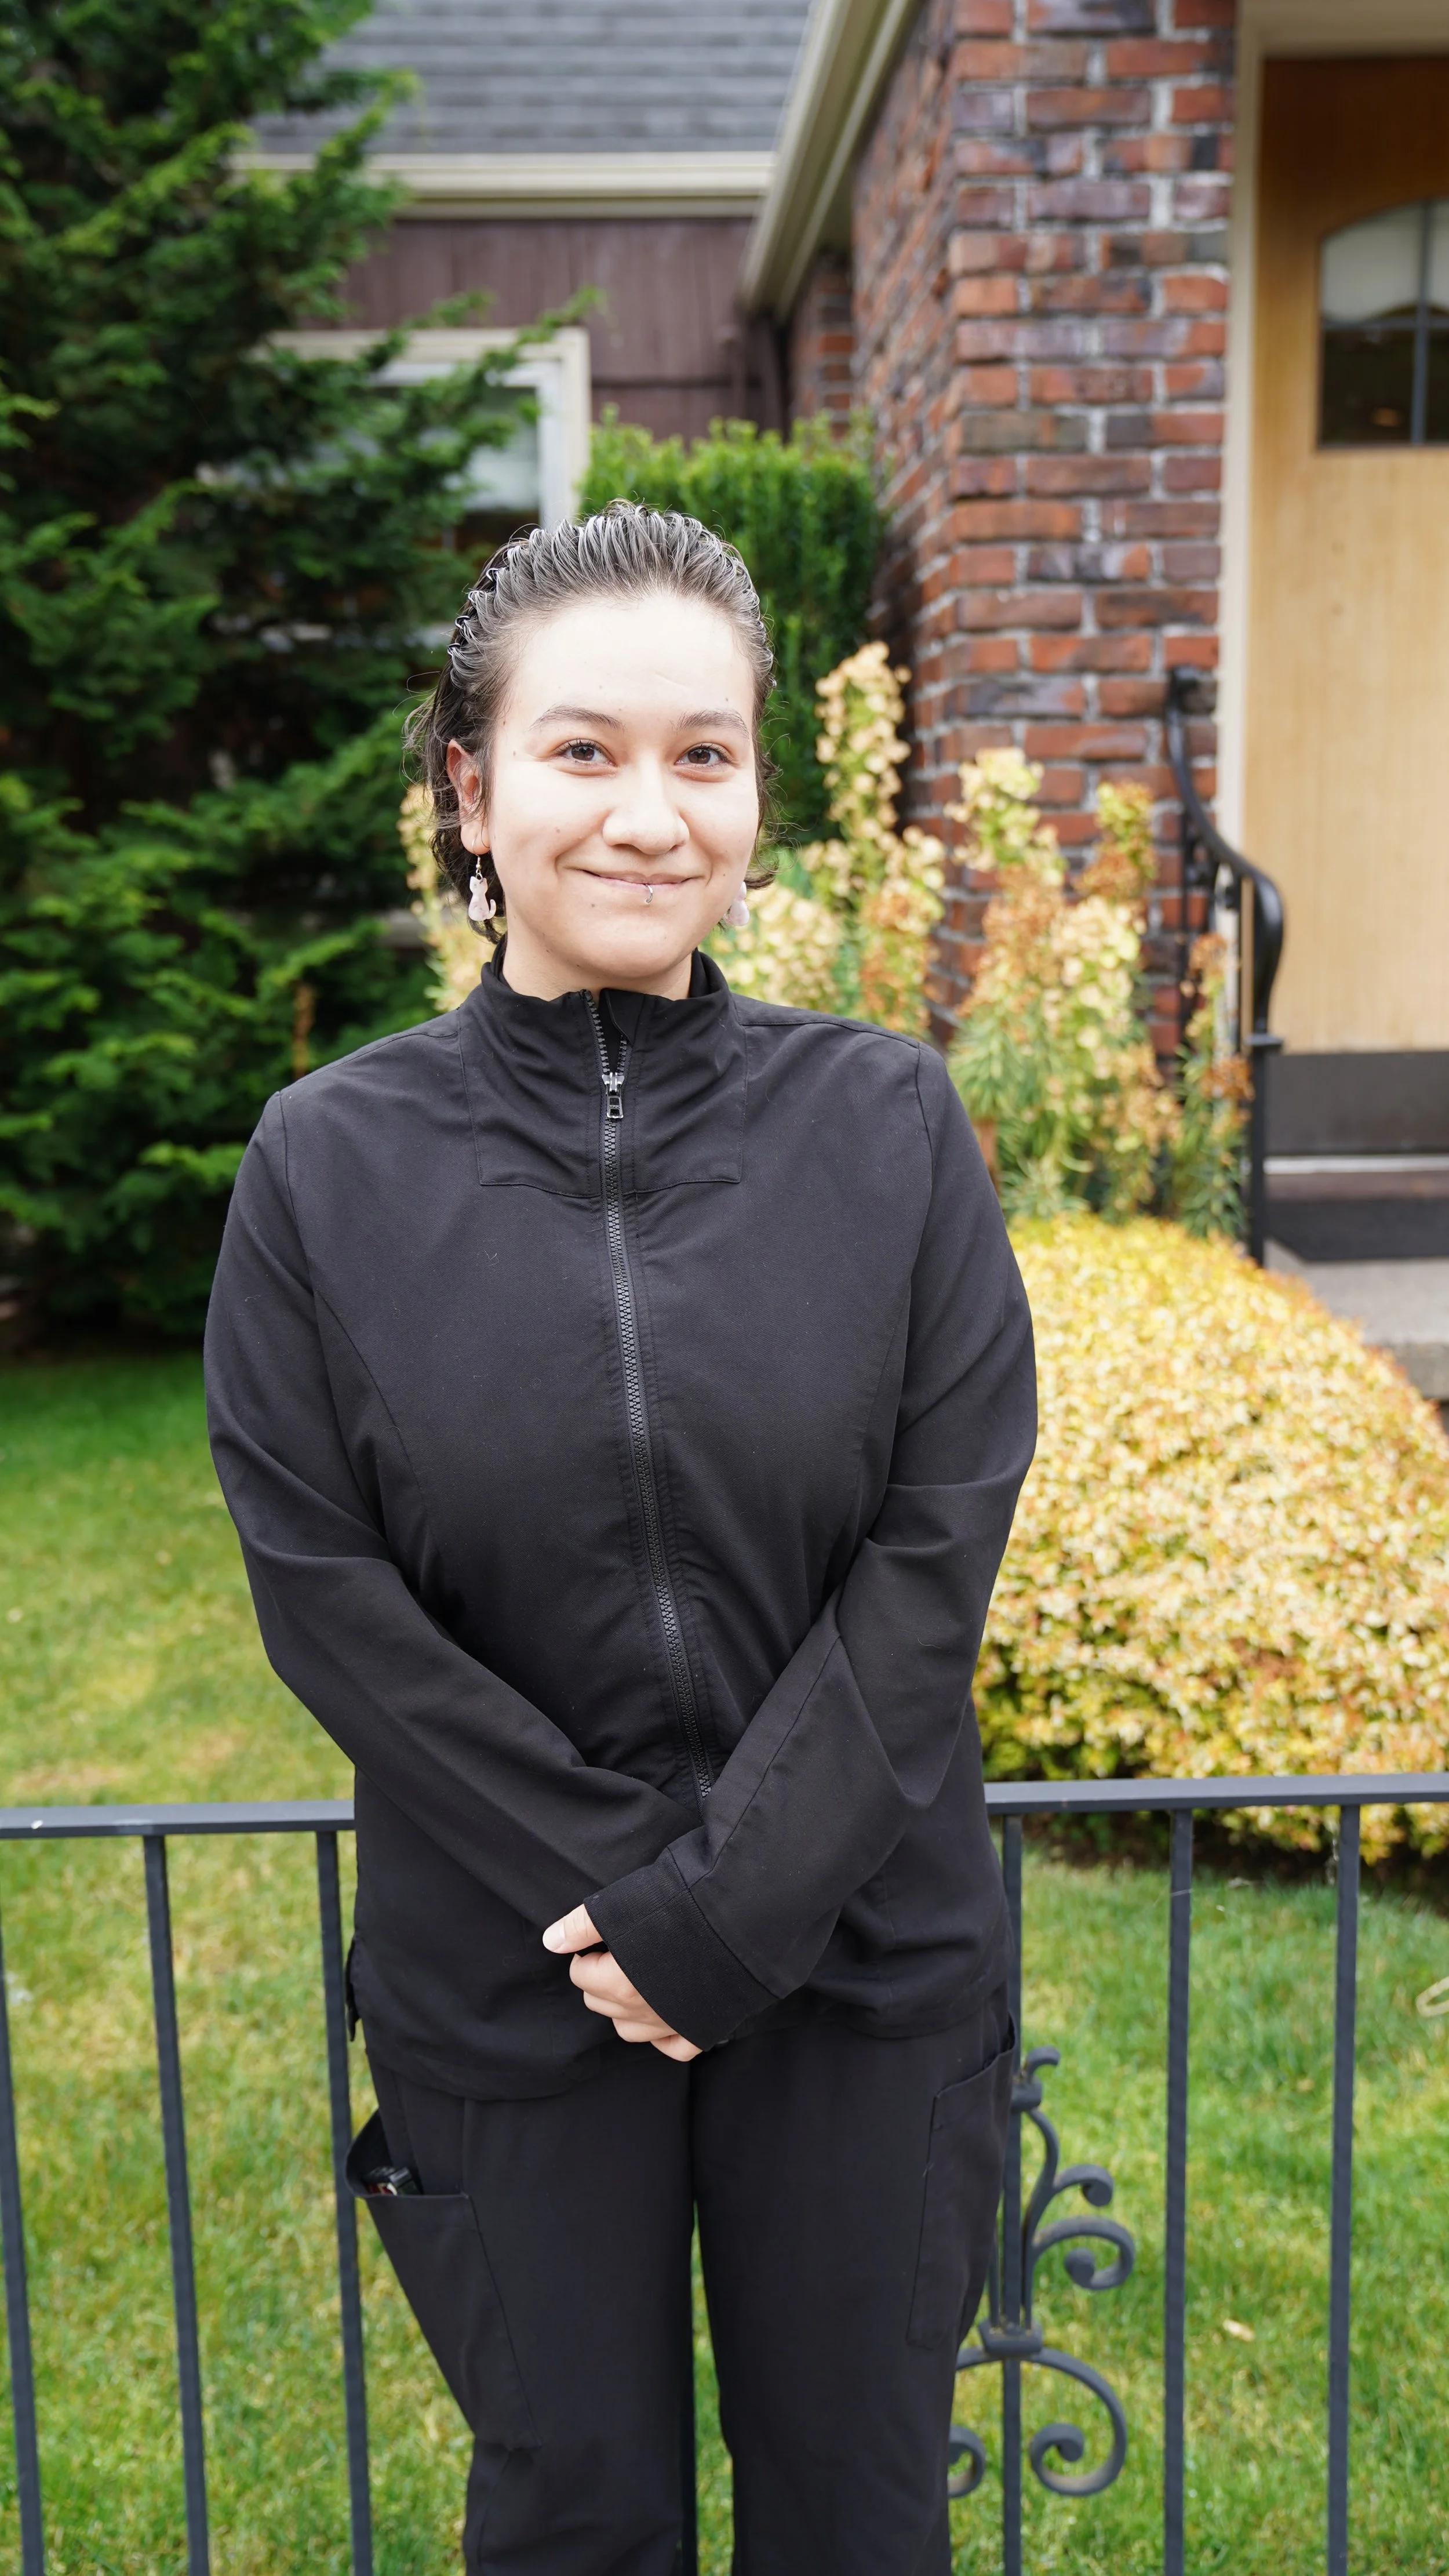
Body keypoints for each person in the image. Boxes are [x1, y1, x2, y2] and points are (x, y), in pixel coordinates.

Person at [205, 502, 1036, 2576]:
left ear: (762, 788)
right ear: (472, 795)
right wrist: (630, 1904)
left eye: (705, 754)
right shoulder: (326, 1168)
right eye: (582, 752)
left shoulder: (891, 1128)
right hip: (513, 1968)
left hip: (858, 1968)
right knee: (574, 2521)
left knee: (855, 2522)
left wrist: (738, 1905)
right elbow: (327, 1601)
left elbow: (936, 1549)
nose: (649, 815)